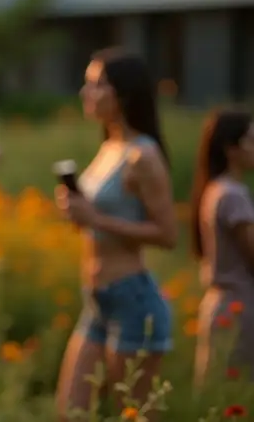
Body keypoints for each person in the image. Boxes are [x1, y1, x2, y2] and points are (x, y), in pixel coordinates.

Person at [53, 48, 177, 420]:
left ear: (122, 94)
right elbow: (100, 218)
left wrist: (95, 218)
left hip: (132, 300)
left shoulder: (144, 155)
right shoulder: (109, 146)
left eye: (96, 85)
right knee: (70, 411)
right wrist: (77, 212)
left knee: (135, 414)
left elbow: (168, 235)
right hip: (98, 301)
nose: (85, 93)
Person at [191, 109, 254, 388]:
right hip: (239, 308)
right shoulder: (233, 195)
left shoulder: (215, 189)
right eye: (251, 141)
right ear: (232, 149)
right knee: (233, 397)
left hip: (220, 305)